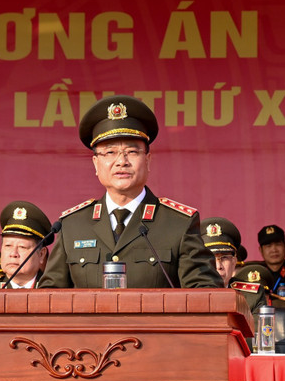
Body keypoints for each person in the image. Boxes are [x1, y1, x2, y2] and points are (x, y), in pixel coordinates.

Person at [38, 95, 221, 289]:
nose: (121, 161)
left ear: (148, 160)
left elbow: (206, 293)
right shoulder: (72, 225)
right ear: (95, 163)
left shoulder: (178, 224)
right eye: (110, 153)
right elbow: (50, 296)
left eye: (132, 152)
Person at [0, 201, 54, 289]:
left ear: (41, 254)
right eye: (8, 246)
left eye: (22, 247)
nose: (13, 254)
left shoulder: (53, 290)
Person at [200, 217, 241, 285]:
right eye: (211, 258)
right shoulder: (188, 294)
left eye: (224, 258)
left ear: (234, 262)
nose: (218, 266)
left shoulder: (247, 295)